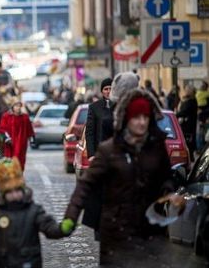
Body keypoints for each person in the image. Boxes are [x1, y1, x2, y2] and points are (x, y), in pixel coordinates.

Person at [64, 88, 186, 266]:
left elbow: (166, 177)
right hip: (116, 233)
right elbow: (86, 184)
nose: (141, 122)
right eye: (137, 118)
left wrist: (170, 193)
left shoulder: (157, 148)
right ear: (126, 119)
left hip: (150, 230)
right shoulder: (109, 149)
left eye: (145, 118)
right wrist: (71, 216)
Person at [0, 158, 72, 268]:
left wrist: (62, 229)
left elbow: (49, 228)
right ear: (3, 194)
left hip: (30, 262)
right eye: (10, 192)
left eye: (17, 190)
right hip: (5, 263)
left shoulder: (34, 210)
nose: (15, 195)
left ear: (23, 190)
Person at [0, 102, 34, 170]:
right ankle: (10, 177)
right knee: (9, 161)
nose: (18, 107)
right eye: (16, 106)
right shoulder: (6, 116)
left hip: (21, 143)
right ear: (13, 107)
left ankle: (18, 176)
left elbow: (29, 130)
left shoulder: (25, 117)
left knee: (20, 161)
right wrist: (7, 138)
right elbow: (2, 128)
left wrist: (31, 139)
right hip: (10, 143)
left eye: (19, 106)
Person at [176, 85, 198, 161]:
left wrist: (176, 115)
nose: (185, 91)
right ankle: (189, 158)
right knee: (187, 144)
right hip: (186, 125)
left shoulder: (191, 101)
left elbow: (185, 112)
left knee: (188, 144)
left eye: (187, 90)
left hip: (189, 126)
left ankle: (190, 159)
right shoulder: (187, 100)